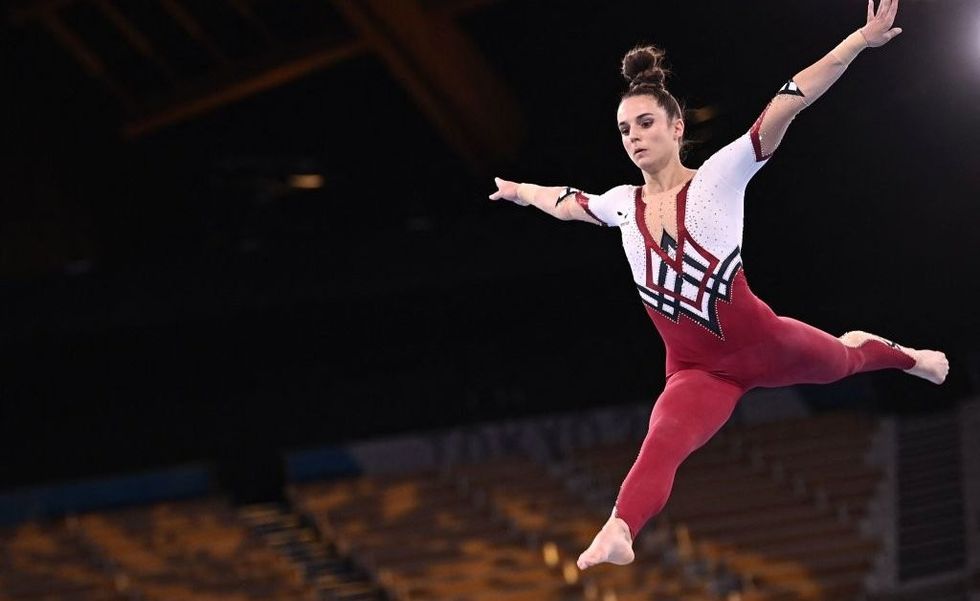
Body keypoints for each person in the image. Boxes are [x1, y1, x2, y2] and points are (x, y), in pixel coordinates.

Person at [489, 0, 948, 570]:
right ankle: (618, 527)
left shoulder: (720, 177)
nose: (633, 136)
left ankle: (911, 358)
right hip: (697, 371)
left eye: (646, 123)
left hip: (767, 344)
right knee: (664, 436)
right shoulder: (621, 206)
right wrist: (517, 191)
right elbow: (562, 204)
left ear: (677, 126)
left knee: (846, 362)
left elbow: (789, 100)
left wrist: (857, 41)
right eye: (624, 129)